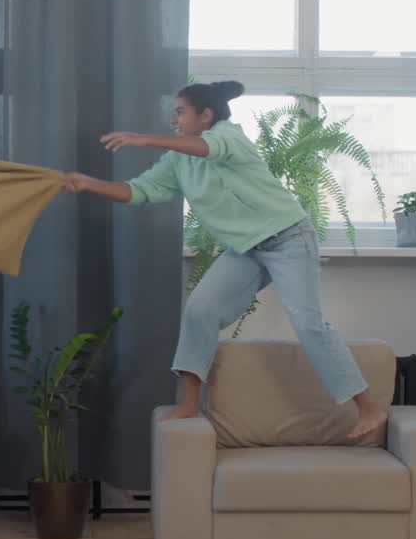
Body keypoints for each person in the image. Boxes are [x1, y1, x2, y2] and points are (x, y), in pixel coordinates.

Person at [64, 81, 386, 438]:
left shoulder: (229, 136)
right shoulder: (178, 160)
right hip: (246, 248)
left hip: (289, 238)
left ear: (207, 115)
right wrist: (89, 183)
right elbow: (138, 191)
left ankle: (369, 409)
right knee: (199, 310)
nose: (173, 118)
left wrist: (143, 139)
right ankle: (188, 404)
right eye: (173, 113)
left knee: (308, 324)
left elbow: (210, 148)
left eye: (180, 112)